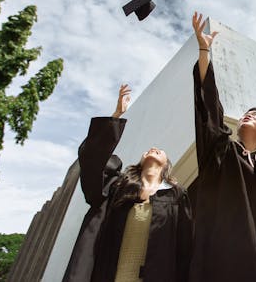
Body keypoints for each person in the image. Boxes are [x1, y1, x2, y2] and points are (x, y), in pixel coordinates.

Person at [189, 12, 256, 282]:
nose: (247, 114)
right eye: (245, 113)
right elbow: (209, 109)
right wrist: (204, 51)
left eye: (255, 114)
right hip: (221, 262)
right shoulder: (222, 152)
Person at [63, 84, 193, 282]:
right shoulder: (116, 187)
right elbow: (92, 163)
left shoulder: (176, 197)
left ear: (167, 165)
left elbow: (184, 250)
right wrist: (115, 117)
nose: (153, 148)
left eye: (160, 150)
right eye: (148, 149)